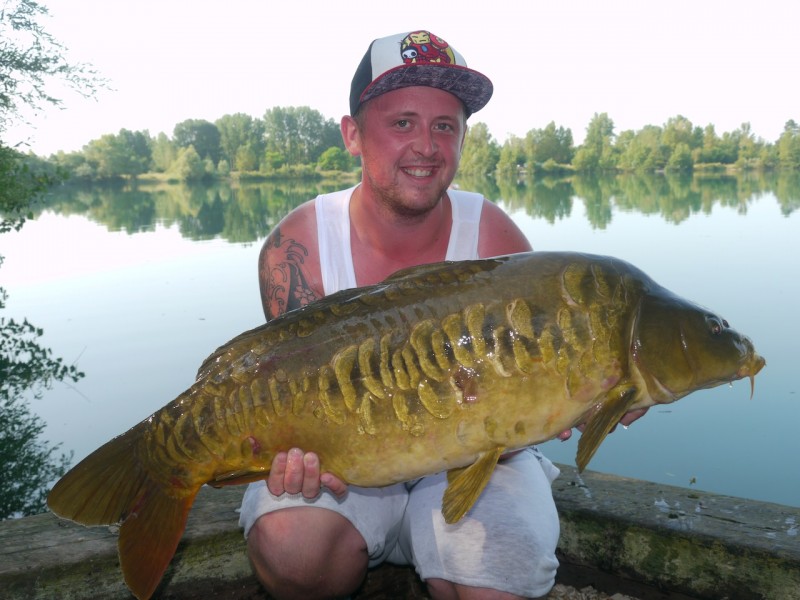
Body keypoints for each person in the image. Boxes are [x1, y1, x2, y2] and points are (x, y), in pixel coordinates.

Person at [239, 30, 646, 600]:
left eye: (444, 126)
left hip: (484, 459)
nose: (426, 146)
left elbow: (544, 376)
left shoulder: (496, 238)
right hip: (348, 469)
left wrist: (593, 394)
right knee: (294, 551)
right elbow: (286, 396)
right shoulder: (297, 246)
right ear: (352, 134)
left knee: (494, 578)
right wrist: (289, 457)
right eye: (402, 123)